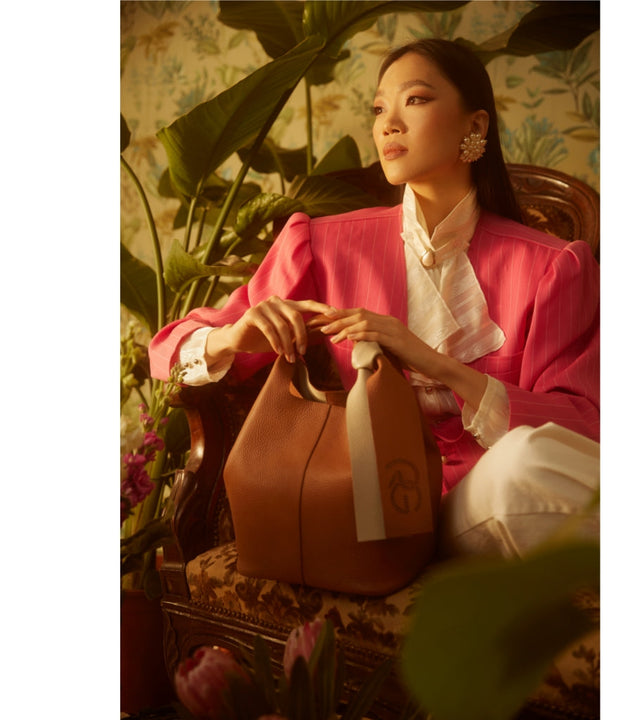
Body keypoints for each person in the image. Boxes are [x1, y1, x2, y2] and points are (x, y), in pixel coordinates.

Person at [149, 38, 600, 560]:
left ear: (475, 128)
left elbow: (584, 425)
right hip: (366, 501)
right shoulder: (322, 244)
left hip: (486, 500)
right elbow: (167, 350)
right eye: (379, 108)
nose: (388, 123)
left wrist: (434, 362)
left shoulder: (552, 266)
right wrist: (233, 336)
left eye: (415, 99)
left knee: (523, 465)